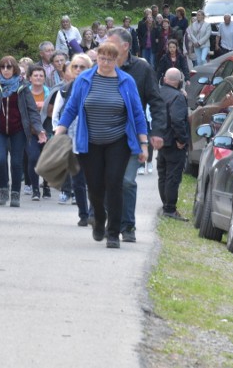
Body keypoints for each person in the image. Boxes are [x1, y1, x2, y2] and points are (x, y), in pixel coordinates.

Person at [54, 42, 148, 249]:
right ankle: (98, 216)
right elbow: (71, 109)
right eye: (102, 58)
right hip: (90, 141)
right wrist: (60, 131)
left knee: (114, 184)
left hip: (118, 141)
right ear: (97, 59)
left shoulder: (126, 81)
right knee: (95, 187)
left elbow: (138, 113)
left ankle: (113, 233)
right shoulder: (84, 80)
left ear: (117, 61)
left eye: (110, 59)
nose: (106, 63)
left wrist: (144, 144)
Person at [106, 27, 166, 243]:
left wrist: (157, 132)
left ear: (125, 46)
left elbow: (156, 102)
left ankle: (127, 226)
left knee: (126, 180)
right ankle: (112, 223)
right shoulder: (102, 67)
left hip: (131, 137)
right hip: (104, 136)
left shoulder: (142, 68)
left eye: (111, 43)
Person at [0, 56, 47, 207]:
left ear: (15, 69)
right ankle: (3, 189)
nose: (6, 70)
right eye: (3, 67)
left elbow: (32, 110)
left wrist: (39, 129)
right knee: (0, 160)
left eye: (9, 67)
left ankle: (15, 193)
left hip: (18, 130)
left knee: (16, 163)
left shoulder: (23, 86)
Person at [51, 53, 92, 224]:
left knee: (96, 179)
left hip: (94, 140)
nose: (78, 70)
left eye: (82, 67)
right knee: (78, 181)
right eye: (75, 67)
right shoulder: (65, 89)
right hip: (73, 141)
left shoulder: (96, 87)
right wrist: (58, 134)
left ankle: (94, 212)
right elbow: (57, 116)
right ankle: (83, 214)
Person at [157, 68, 190, 221]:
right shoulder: (178, 97)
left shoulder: (159, 93)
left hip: (160, 139)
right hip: (173, 142)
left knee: (163, 175)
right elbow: (177, 120)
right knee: (172, 176)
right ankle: (169, 208)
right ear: (179, 82)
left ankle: (165, 205)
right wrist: (182, 140)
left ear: (165, 79)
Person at [26, 64, 51, 200]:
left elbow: (54, 111)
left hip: (47, 131)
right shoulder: (24, 93)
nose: (38, 78)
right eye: (35, 75)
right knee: (33, 157)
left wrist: (45, 107)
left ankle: (46, 185)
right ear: (30, 78)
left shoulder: (50, 93)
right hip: (30, 132)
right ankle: (35, 189)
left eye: (41, 75)